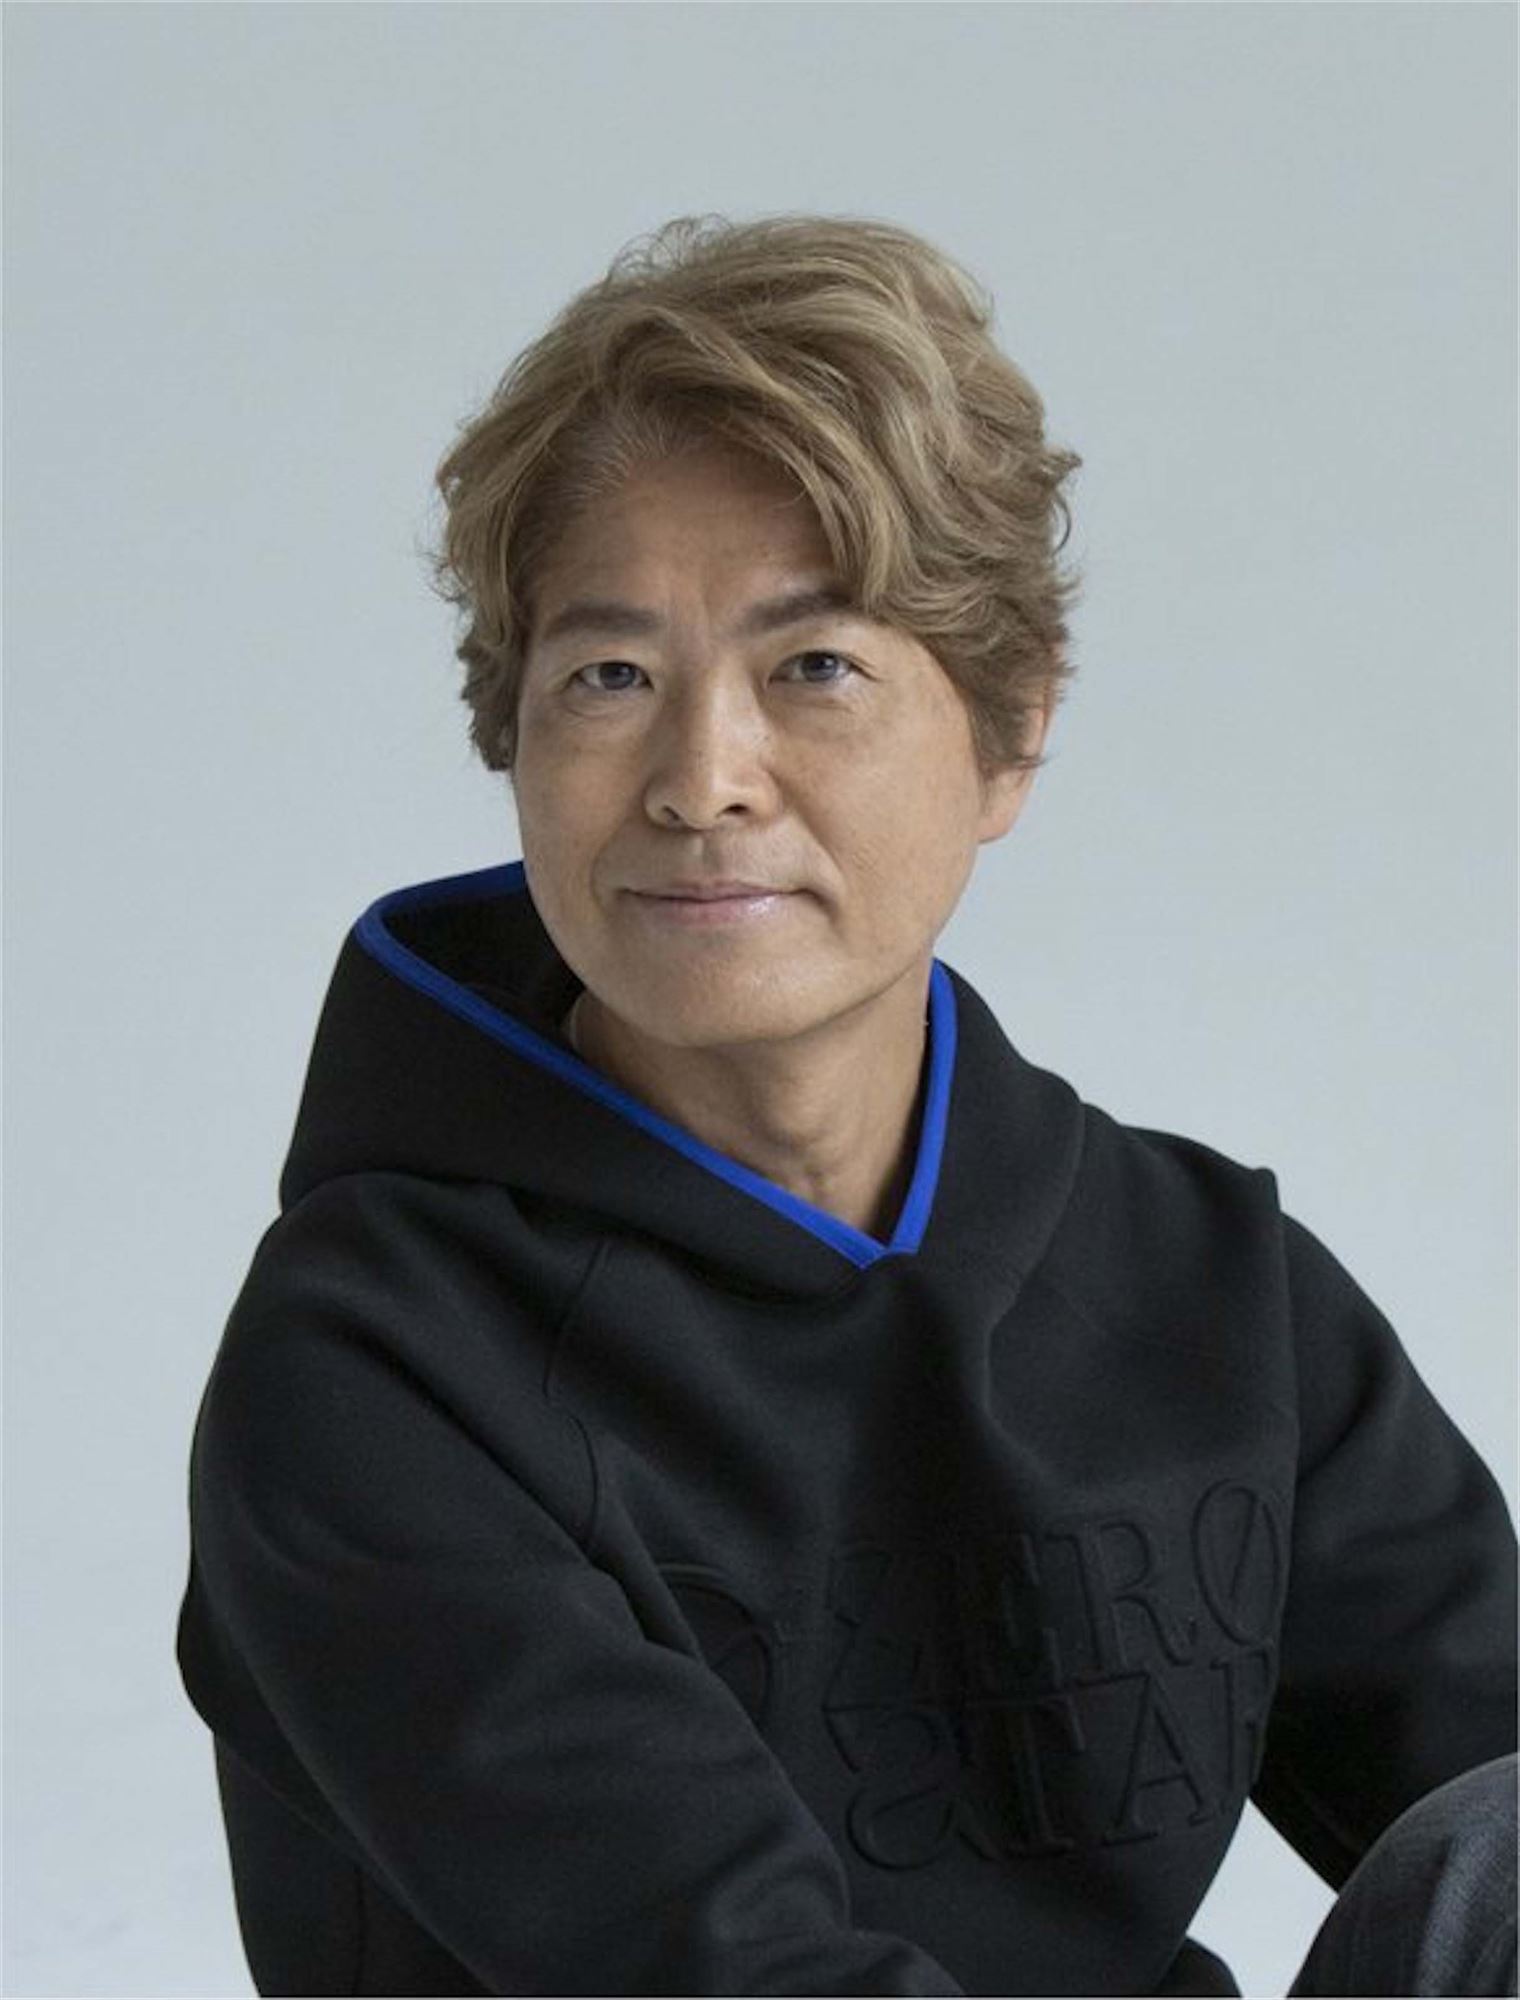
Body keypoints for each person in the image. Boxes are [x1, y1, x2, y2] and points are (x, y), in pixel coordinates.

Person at [175, 211, 1517, 1998]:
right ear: (516, 739)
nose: (701, 781)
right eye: (609, 678)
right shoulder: (374, 1367)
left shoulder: (1218, 1287)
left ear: (1008, 737)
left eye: (815, 666)